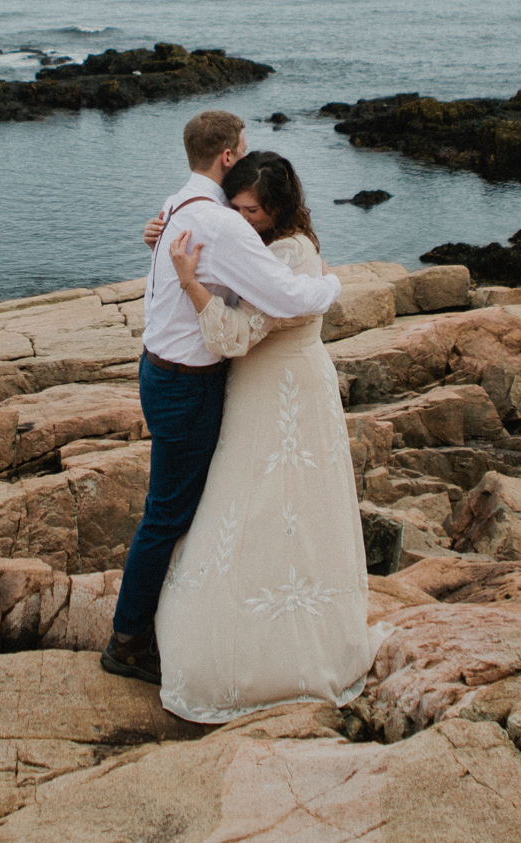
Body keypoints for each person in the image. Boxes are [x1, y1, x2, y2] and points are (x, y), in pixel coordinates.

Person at [101, 112, 342, 689]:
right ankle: (128, 640)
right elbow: (288, 295)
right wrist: (333, 284)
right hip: (187, 382)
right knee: (167, 515)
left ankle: (163, 618)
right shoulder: (222, 224)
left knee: (181, 508)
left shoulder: (179, 204)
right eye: (244, 146)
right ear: (229, 156)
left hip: (157, 371)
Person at [143, 149, 375, 723]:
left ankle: (278, 655)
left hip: (280, 385)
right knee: (252, 504)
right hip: (265, 386)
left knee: (277, 507)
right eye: (236, 206)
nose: (241, 218)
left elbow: (236, 335)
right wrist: (163, 232)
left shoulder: (290, 254)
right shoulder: (268, 245)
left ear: (277, 209)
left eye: (252, 210)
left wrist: (190, 283)